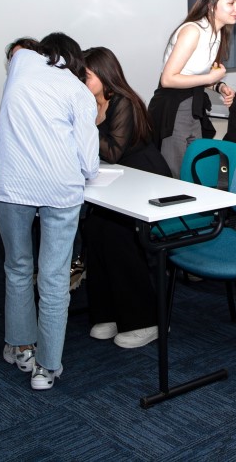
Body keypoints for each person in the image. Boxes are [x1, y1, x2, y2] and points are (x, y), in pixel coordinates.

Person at [0, 32, 99, 390]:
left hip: (12, 183)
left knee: (18, 267)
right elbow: (89, 164)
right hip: (60, 188)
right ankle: (46, 368)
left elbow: (20, 51)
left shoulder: (20, 64)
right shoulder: (79, 91)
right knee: (54, 278)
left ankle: (21, 348)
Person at [81, 46, 168, 348]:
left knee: (117, 232)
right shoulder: (90, 102)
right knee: (94, 228)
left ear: (104, 75)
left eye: (86, 75)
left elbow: (113, 151)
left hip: (145, 177)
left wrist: (82, 124)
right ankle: (108, 312)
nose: (81, 81)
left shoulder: (124, 102)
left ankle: (144, 320)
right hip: (117, 179)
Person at [148, 0, 236, 177]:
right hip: (174, 108)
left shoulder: (216, 33)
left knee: (193, 169)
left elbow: (195, 75)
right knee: (175, 173)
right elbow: (168, 79)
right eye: (231, 3)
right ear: (212, 4)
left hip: (193, 107)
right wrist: (210, 79)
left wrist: (219, 86)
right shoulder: (193, 31)